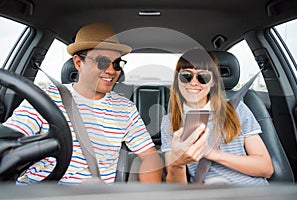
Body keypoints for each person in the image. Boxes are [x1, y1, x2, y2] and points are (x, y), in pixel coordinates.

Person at [3, 22, 162, 184]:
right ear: (78, 63)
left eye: (117, 64)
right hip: (39, 192)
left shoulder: (125, 108)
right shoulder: (46, 97)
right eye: (102, 61)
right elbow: (10, 139)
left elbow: (150, 157)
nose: (111, 71)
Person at [160, 48, 274, 185]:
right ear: (177, 80)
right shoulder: (171, 122)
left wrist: (211, 153)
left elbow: (266, 168)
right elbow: (177, 188)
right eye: (186, 76)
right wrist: (178, 163)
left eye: (203, 77)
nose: (194, 82)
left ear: (213, 82)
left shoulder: (236, 109)